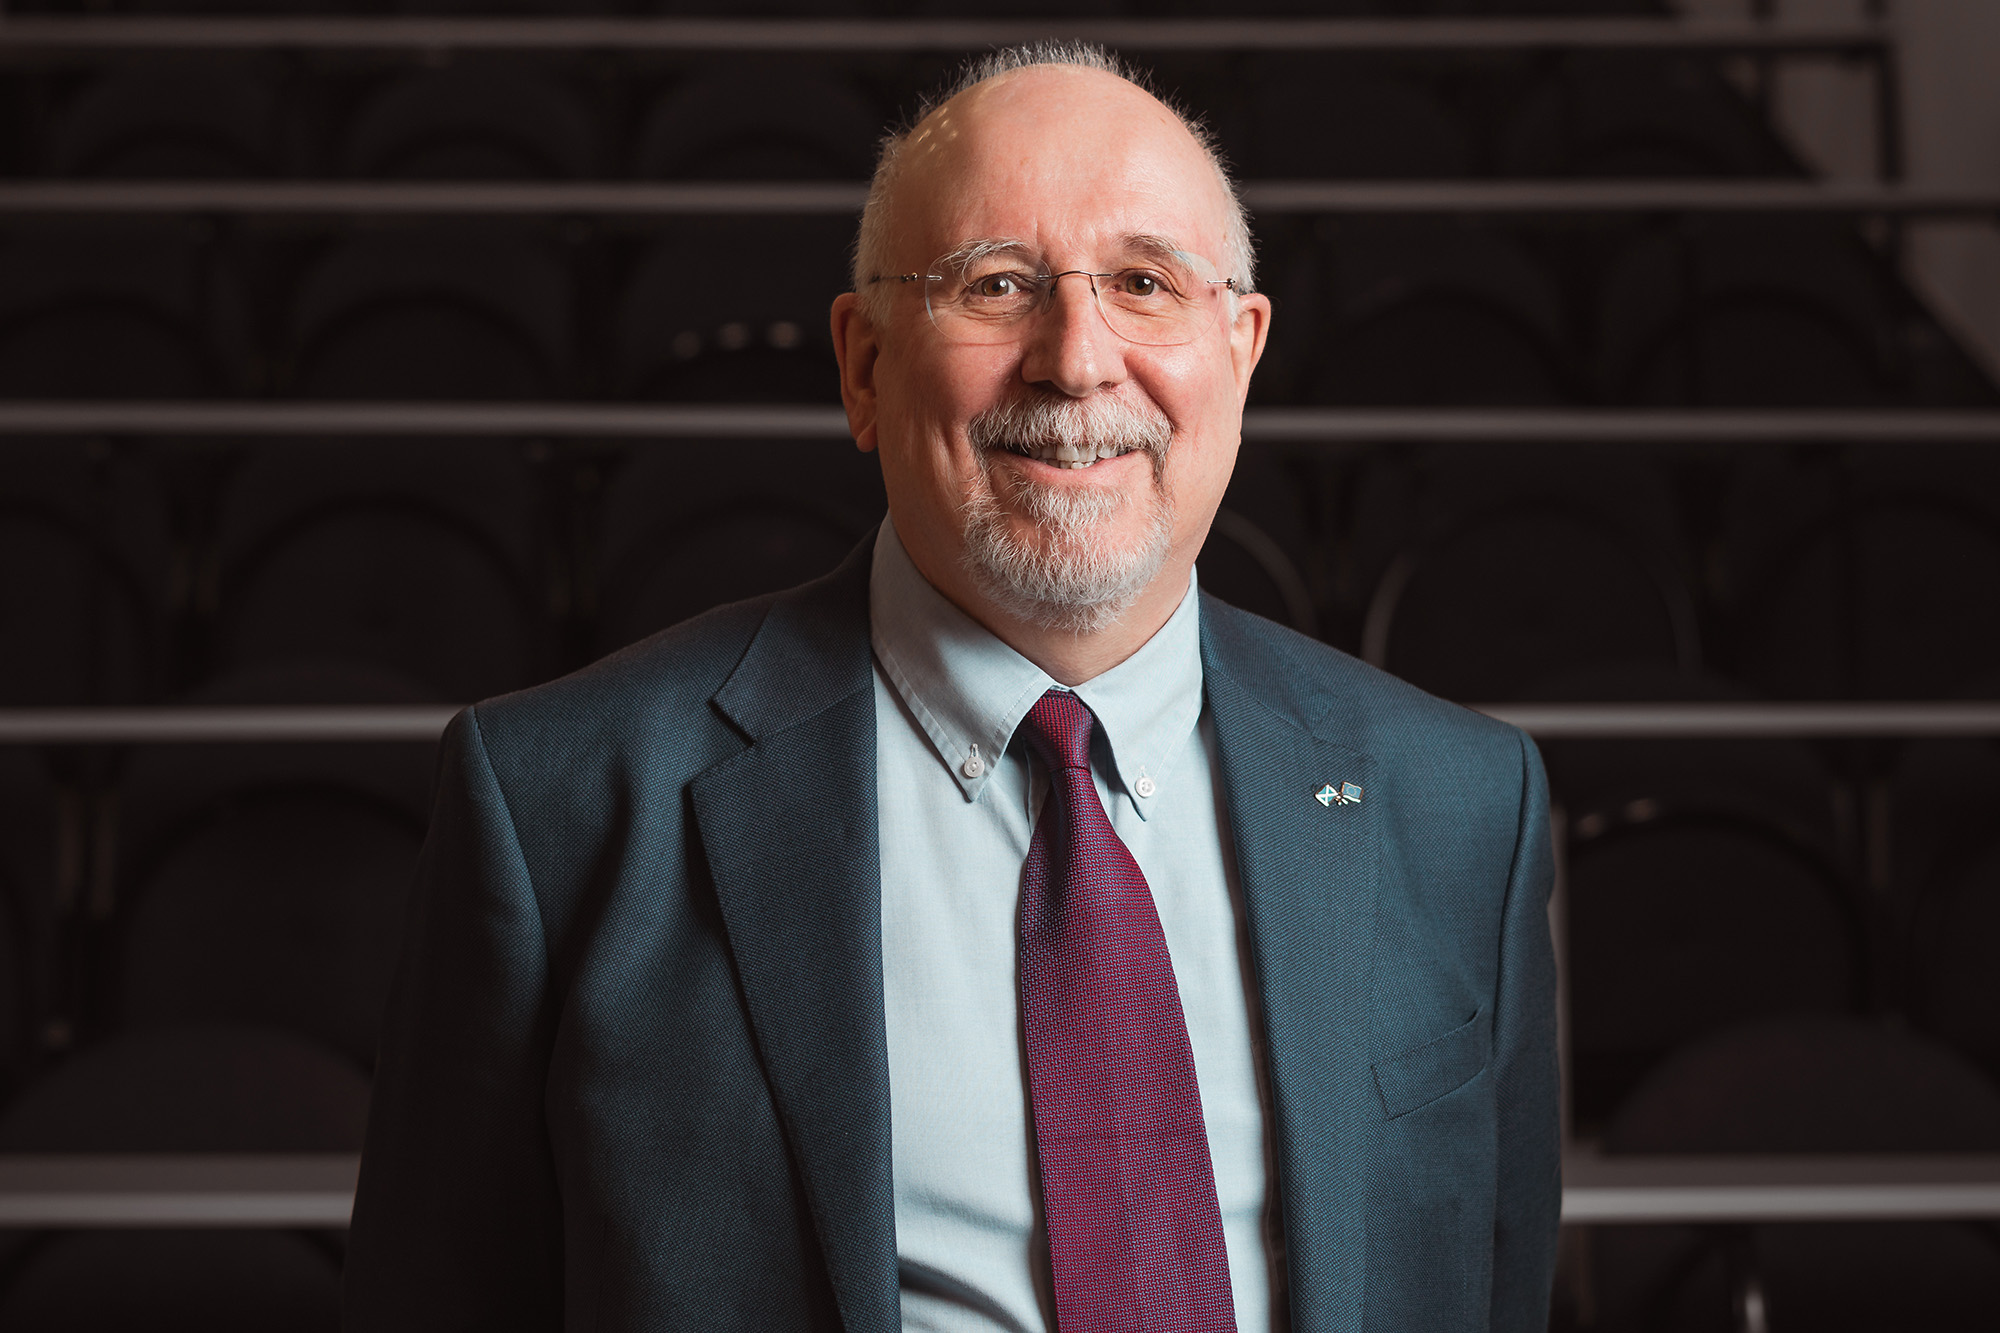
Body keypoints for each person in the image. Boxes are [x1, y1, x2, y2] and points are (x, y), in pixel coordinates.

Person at [342, 44, 1559, 1333]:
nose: (1076, 360)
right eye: (997, 285)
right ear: (864, 365)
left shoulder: (1463, 805)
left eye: (1145, 283)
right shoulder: (560, 807)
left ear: (1241, 352)